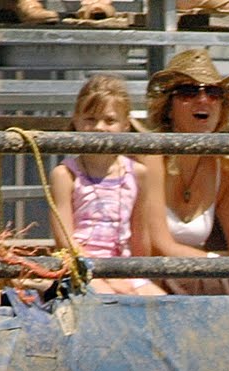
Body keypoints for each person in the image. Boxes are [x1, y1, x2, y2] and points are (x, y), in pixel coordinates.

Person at [132, 49, 229, 295]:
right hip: (150, 278)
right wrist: (217, 263)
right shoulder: (150, 157)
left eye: (213, 92)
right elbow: (159, 246)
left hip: (197, 278)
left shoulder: (227, 167)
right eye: (188, 92)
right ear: (168, 107)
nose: (203, 100)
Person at [47, 76, 165, 297]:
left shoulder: (138, 173)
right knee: (108, 300)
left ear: (125, 125)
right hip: (79, 267)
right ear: (76, 120)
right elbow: (65, 240)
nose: (99, 128)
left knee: (163, 304)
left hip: (124, 267)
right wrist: (106, 276)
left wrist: (139, 276)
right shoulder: (66, 174)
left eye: (109, 121)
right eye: (90, 119)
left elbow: (140, 238)